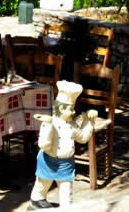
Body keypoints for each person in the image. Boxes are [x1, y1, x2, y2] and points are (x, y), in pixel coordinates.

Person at [27, 80, 98, 211]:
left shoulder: (72, 124)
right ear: (60, 108)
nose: (73, 112)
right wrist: (47, 125)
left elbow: (82, 138)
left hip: (66, 163)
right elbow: (44, 145)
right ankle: (36, 200)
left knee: (66, 188)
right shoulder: (50, 122)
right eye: (71, 109)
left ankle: (66, 207)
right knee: (43, 183)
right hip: (48, 160)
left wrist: (89, 121)